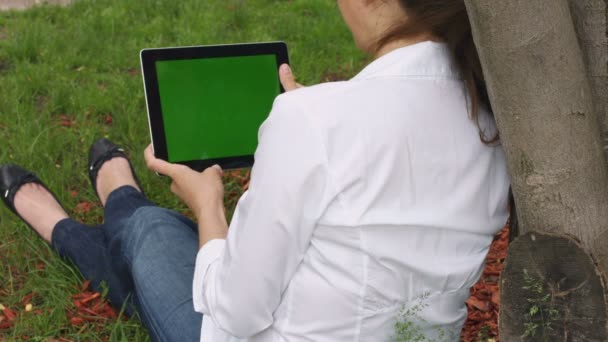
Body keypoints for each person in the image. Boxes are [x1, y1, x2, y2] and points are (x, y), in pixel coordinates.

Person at [0, 0, 510, 341]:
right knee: (189, 240)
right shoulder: (496, 120)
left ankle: (87, 212)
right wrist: (323, 119)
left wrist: (208, 205)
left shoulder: (315, 121)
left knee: (148, 230)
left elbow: (238, 314)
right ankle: (112, 197)